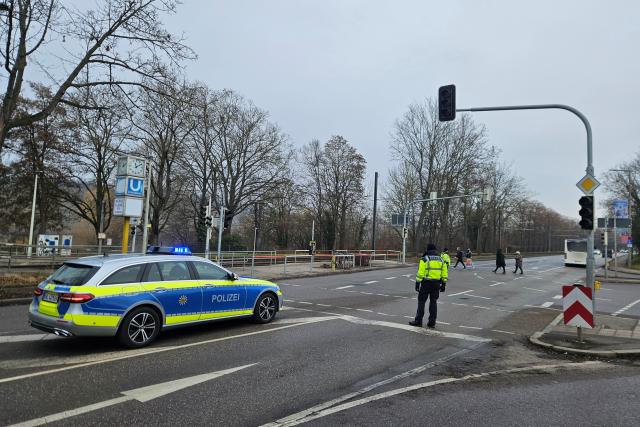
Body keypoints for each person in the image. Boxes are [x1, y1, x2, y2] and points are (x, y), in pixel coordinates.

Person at [409, 243, 448, 329]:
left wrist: (417, 283)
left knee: (421, 302)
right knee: (433, 302)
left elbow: (420, 273)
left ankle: (418, 321)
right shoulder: (441, 260)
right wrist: (444, 284)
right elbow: (444, 273)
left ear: (428, 250)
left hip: (426, 284)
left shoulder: (425, 259)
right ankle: (432, 322)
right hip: (437, 284)